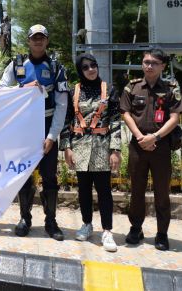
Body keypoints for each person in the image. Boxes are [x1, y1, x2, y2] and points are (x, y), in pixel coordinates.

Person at [0, 24, 68, 240]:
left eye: (42, 38)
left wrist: (51, 136)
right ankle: (25, 218)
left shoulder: (56, 67)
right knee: (24, 176)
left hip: (47, 125)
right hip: (23, 128)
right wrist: (22, 89)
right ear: (28, 40)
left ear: (47, 41)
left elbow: (62, 104)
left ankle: (51, 221)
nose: (38, 41)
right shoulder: (17, 64)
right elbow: (0, 90)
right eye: (34, 38)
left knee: (49, 176)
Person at [120, 48, 182, 251]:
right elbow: (126, 113)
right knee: (136, 190)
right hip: (138, 146)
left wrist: (155, 137)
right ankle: (136, 228)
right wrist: (140, 137)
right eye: (146, 62)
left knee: (162, 191)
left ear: (163, 66)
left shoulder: (171, 88)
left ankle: (162, 233)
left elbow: (175, 117)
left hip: (161, 146)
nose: (149, 66)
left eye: (154, 63)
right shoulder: (132, 87)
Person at [60, 53, 121, 252]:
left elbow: (115, 120)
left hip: (102, 148)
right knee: (84, 190)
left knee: (104, 191)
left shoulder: (109, 89)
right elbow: (67, 121)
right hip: (80, 148)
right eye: (85, 67)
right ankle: (87, 223)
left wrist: (115, 149)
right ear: (80, 70)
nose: (91, 69)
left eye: (93, 65)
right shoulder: (73, 91)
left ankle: (107, 231)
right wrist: (67, 148)